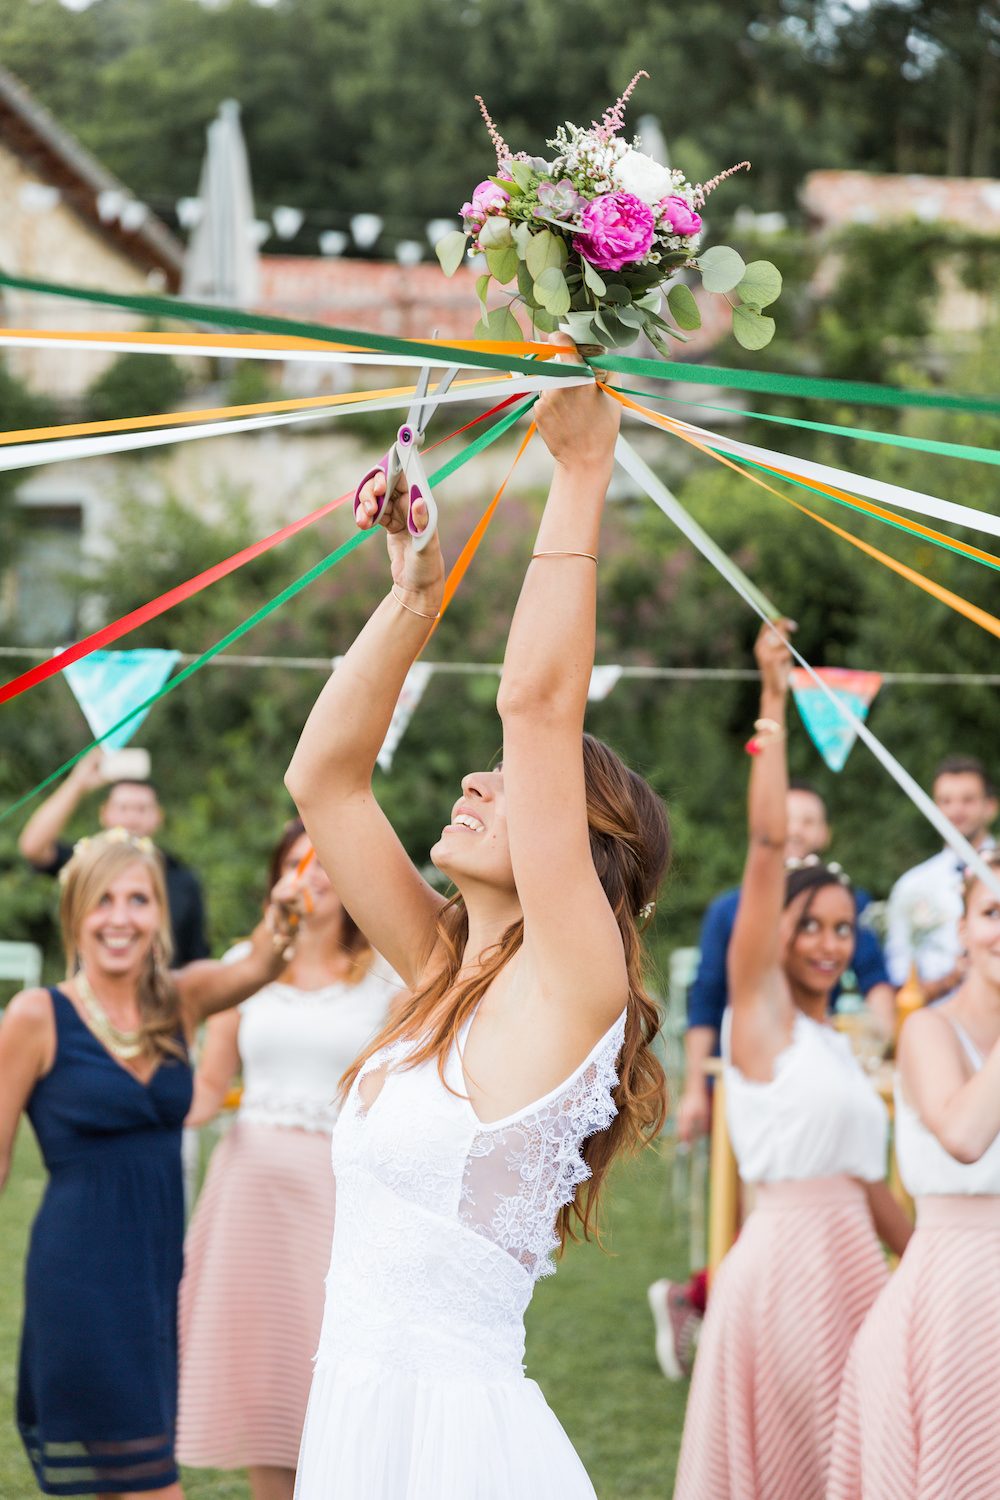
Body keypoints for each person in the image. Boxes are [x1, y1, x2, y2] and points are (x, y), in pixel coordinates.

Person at [283, 341, 669, 1499]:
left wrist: (582, 471)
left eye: (513, 785)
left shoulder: (572, 989)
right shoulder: (445, 971)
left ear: (579, 844)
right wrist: (411, 595)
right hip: (355, 1412)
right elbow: (327, 784)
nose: (474, 782)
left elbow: (536, 704)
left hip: (454, 1448)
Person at [672, 621, 911, 1500]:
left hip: (855, 1261)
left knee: (862, 1461)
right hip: (786, 1269)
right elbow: (769, 848)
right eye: (809, 924)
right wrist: (771, 700)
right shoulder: (760, 1015)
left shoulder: (837, 1049)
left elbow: (870, 1182)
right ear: (773, 931)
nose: (827, 942)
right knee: (802, 1464)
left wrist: (936, 1273)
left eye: (843, 928)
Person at [0, 828, 295, 1498]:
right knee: (151, 1484)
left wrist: (286, 914)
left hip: (156, 1278)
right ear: (74, 911)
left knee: (120, 1481)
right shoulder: (35, 1016)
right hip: (78, 1280)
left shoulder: (180, 1000)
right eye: (103, 901)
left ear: (160, 913)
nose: (121, 918)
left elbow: (258, 968)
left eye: (138, 900)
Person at [175, 819, 397, 1500]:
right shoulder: (246, 963)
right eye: (299, 861)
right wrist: (136, 1111)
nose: (315, 874)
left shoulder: (387, 976)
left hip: (339, 1196)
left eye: (329, 861)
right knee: (264, 1370)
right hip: (247, 1195)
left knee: (333, 1367)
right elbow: (210, 1086)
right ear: (278, 878)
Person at [649, 782, 895, 1379]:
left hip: (821, 1058)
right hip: (758, 1062)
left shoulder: (846, 902)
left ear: (825, 833)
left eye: (809, 820)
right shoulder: (736, 911)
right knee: (746, 1208)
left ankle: (702, 1299)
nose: (797, 830)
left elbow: (876, 973)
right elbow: (707, 999)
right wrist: (696, 1092)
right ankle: (710, 1300)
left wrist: (882, 1031)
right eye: (787, 821)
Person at [828, 850, 1000, 1500]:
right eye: (992, 913)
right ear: (962, 929)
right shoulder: (929, 1027)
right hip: (955, 1295)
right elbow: (963, 1134)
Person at [18, 748, 209, 966]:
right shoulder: (85, 862)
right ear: (104, 813)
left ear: (158, 816)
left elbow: (197, 957)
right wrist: (77, 783)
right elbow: (33, 847)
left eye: (142, 808)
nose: (131, 817)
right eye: (123, 807)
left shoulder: (182, 878)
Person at [884, 754, 997, 1001]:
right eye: (945, 801)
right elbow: (899, 973)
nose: (956, 811)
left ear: (990, 806)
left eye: (968, 800)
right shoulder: (911, 886)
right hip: (938, 1017)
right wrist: (950, 978)